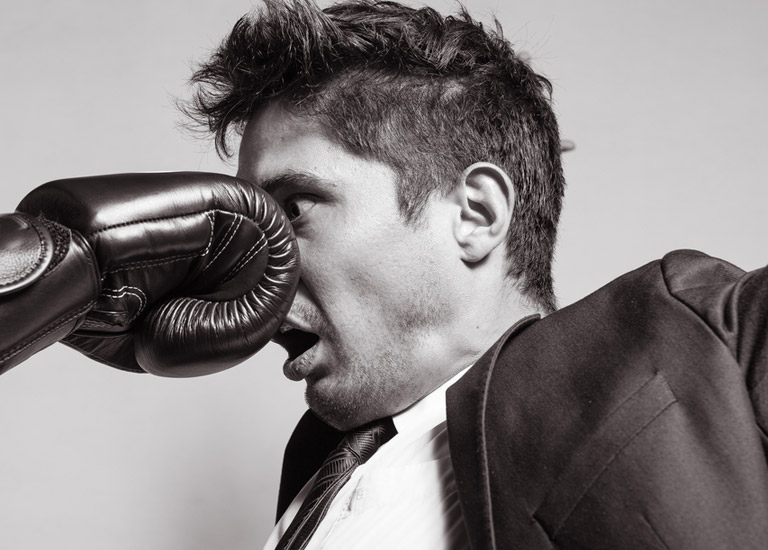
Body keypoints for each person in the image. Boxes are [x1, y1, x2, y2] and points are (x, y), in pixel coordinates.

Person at [0, 0, 765, 548]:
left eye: (291, 210)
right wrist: (30, 286)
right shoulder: (316, 485)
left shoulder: (687, 346)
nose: (247, 266)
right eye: (241, 219)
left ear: (475, 213)